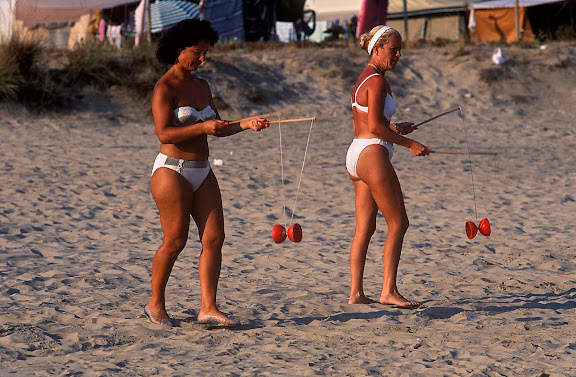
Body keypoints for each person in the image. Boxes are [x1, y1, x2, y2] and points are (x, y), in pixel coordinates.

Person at [145, 19, 269, 327]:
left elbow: (220, 127)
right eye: (197, 52)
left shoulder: (202, 86)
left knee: (214, 238)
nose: (203, 59)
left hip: (202, 170)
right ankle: (155, 304)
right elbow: (164, 133)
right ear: (179, 49)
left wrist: (246, 124)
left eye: (206, 53)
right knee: (175, 240)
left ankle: (208, 307)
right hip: (171, 170)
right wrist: (201, 126)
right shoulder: (165, 87)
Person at [345, 25, 430, 308]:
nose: (398, 54)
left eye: (399, 49)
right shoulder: (378, 81)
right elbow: (375, 127)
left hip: (356, 154)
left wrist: (396, 127)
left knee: (364, 228)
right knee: (399, 223)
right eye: (394, 49)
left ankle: (356, 293)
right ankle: (388, 291)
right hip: (372, 154)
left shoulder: (365, 77)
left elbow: (370, 120)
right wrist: (411, 144)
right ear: (377, 49)